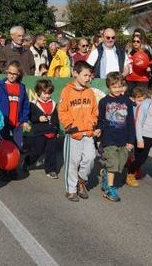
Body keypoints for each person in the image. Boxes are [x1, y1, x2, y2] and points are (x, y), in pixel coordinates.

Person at [58, 61, 98, 202]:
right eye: (85, 75)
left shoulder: (90, 91)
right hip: (74, 134)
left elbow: (94, 111)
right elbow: (62, 111)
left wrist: (92, 124)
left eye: (89, 75)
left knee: (90, 158)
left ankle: (82, 180)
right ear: (75, 73)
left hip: (88, 133)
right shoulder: (67, 91)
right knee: (73, 162)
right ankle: (71, 189)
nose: (88, 78)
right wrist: (71, 128)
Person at [96, 72, 135, 202]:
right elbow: (100, 120)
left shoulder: (127, 101)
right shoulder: (104, 102)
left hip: (123, 138)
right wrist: (99, 129)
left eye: (120, 86)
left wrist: (131, 140)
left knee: (119, 164)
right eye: (114, 87)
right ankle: (110, 189)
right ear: (109, 87)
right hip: (109, 138)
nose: (117, 89)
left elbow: (130, 122)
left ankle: (106, 174)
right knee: (113, 164)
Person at [0, 60, 31, 181]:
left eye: (14, 74)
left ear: (19, 74)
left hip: (17, 124)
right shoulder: (0, 86)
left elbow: (26, 105)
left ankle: (13, 168)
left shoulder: (21, 87)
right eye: (9, 72)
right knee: (4, 146)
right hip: (4, 123)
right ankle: (3, 169)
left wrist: (24, 120)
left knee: (16, 147)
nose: (11, 75)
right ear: (6, 72)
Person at [23, 79, 60, 179]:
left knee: (51, 152)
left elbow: (56, 118)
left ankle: (51, 170)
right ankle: (27, 161)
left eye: (49, 93)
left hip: (51, 131)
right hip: (39, 132)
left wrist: (57, 130)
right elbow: (31, 117)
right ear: (39, 92)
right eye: (44, 93)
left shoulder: (53, 104)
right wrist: (38, 118)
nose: (47, 96)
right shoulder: (34, 104)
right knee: (37, 151)